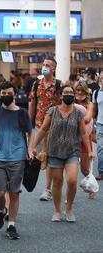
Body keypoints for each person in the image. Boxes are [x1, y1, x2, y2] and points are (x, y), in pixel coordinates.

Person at [29, 85, 92, 223]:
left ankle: (69, 208)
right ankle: (57, 211)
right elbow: (44, 129)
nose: (68, 94)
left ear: (74, 95)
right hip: (55, 151)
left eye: (71, 92)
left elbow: (83, 133)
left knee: (72, 180)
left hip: (72, 151)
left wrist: (90, 150)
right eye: (66, 92)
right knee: (57, 182)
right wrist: (33, 146)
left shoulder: (78, 113)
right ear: (61, 95)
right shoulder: (52, 111)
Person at [0, 82, 33, 240]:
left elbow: (31, 133)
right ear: (0, 95)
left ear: (14, 94)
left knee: (14, 193)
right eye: (3, 93)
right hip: (0, 159)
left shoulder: (22, 114)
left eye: (8, 93)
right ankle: (2, 210)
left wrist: (30, 149)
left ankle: (11, 225)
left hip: (18, 158)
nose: (6, 95)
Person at [29, 58, 62, 202]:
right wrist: (29, 125)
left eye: (47, 65)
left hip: (55, 127)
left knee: (50, 158)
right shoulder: (36, 84)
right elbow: (33, 104)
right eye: (43, 65)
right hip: (38, 125)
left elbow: (63, 106)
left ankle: (48, 189)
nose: (44, 67)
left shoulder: (59, 85)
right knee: (38, 155)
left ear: (54, 69)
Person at [73, 81, 95, 191]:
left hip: (85, 137)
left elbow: (87, 118)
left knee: (84, 169)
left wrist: (72, 120)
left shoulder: (90, 104)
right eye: (77, 90)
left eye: (82, 90)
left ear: (86, 91)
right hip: (71, 138)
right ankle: (70, 192)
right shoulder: (69, 103)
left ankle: (92, 186)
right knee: (71, 167)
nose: (80, 92)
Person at [93, 73, 103, 180]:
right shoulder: (96, 93)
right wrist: (93, 121)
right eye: (101, 78)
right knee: (100, 148)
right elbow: (94, 108)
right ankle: (101, 171)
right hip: (100, 124)